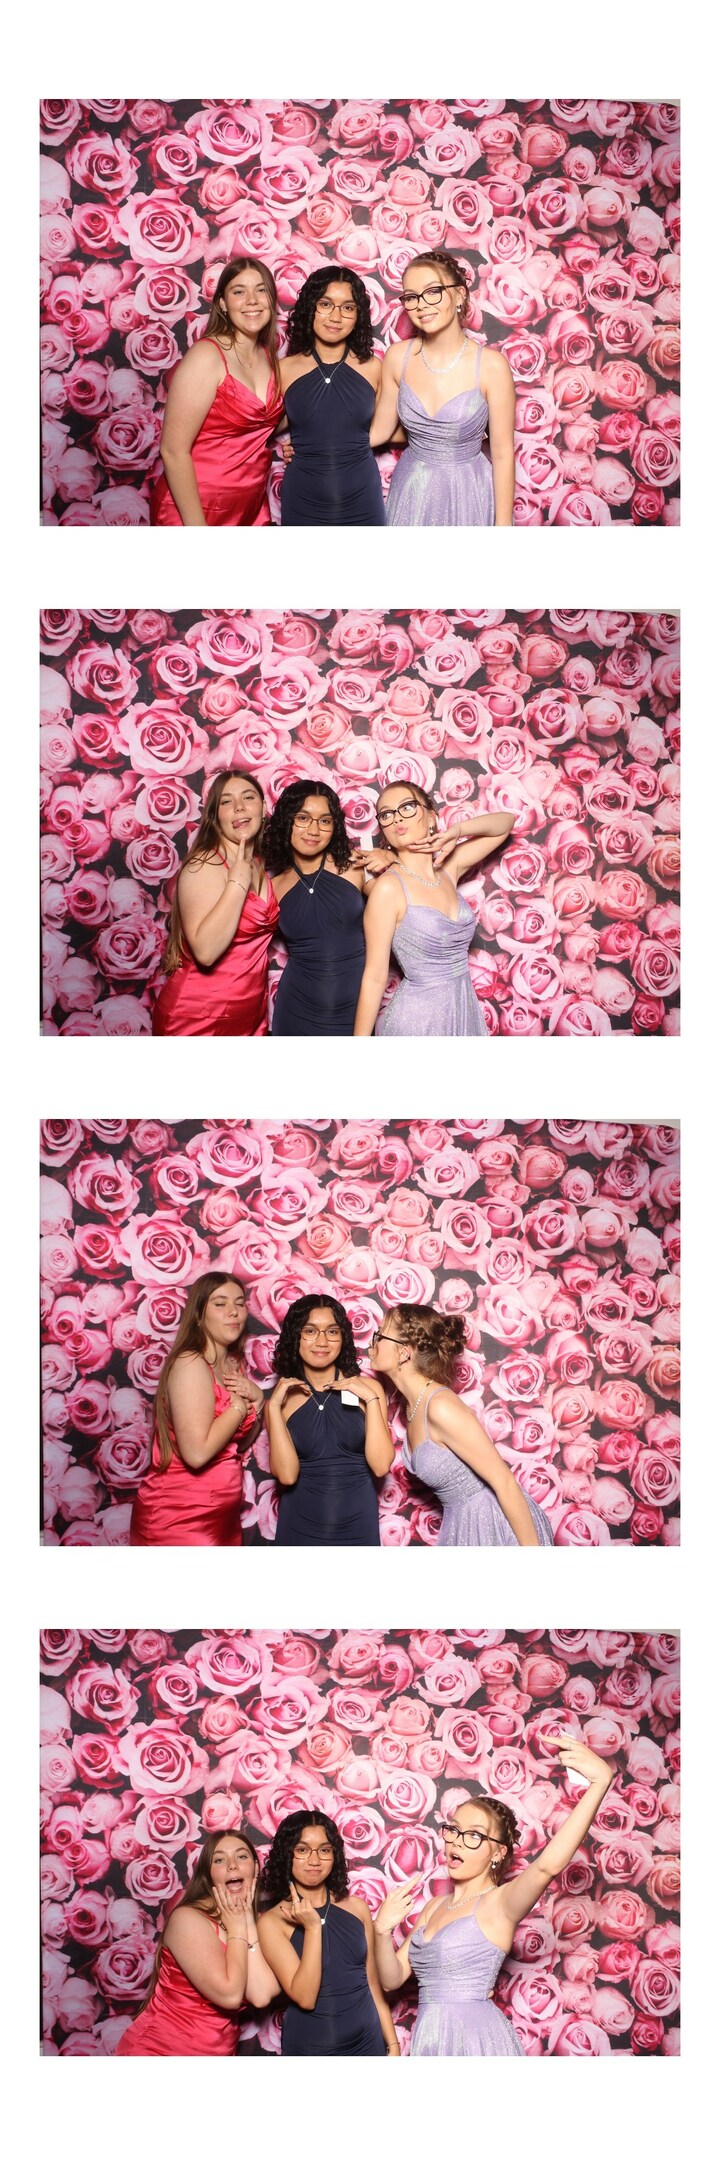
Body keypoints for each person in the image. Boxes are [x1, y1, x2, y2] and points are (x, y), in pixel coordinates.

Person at [374, 1737, 615, 2054]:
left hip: (475, 2040)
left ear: (499, 1853)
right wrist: (382, 1930)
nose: (456, 1842)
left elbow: (547, 1866)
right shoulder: (433, 1906)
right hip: (430, 2039)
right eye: (454, 1830)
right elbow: (392, 1980)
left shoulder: (499, 1903)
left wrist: (599, 1783)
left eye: (474, 1835)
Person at [370, 1306, 554, 1545]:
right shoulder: (412, 1407)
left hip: (497, 1526)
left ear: (404, 1352)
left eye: (380, 1335)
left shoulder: (440, 1406)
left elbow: (505, 1482)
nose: (373, 1342)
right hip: (461, 1524)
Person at [353, 782, 515, 1035]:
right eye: (386, 814)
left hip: (463, 1011)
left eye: (407, 807)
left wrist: (457, 830)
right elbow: (374, 977)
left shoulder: (449, 869)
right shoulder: (389, 888)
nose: (397, 818)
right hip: (417, 1021)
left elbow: (505, 823)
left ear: (431, 817)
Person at [370, 248, 515, 526]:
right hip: (413, 489)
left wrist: (504, 525)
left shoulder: (492, 366)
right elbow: (378, 432)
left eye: (432, 291)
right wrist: (312, 444)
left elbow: (502, 454)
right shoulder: (397, 357)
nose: (421, 305)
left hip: (468, 491)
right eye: (411, 297)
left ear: (459, 295)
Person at [129, 1274, 264, 1546]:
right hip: (180, 1518)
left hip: (221, 1519)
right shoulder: (190, 1363)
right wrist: (239, 1407)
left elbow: (235, 1445)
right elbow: (197, 1454)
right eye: (220, 1303)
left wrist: (258, 1403)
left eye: (239, 1303)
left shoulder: (232, 1366)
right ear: (199, 1316)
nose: (233, 1311)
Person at [116, 1830, 278, 2054]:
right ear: (208, 1874)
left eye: (242, 1856)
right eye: (219, 1860)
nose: (232, 1865)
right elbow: (230, 1996)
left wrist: (247, 1922)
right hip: (160, 2049)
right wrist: (238, 1929)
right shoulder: (188, 1919)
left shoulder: (257, 1923)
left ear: (255, 1869)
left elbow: (260, 1995)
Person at [151, 257, 284, 525]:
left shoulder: (267, 356)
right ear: (222, 303)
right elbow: (173, 451)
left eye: (261, 290)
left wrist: (302, 442)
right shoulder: (206, 356)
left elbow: (259, 425)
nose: (252, 300)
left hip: (249, 509)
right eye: (239, 292)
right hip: (195, 509)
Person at [258, 1812, 398, 2055]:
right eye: (302, 1850)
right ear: (287, 1854)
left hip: (368, 2041)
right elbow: (305, 1997)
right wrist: (313, 1928)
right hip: (312, 2045)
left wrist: (393, 2044)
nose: (314, 1860)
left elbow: (372, 1982)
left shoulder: (357, 1908)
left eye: (324, 1850)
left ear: (334, 1855)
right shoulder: (273, 1921)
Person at [152, 771, 279, 1037]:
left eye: (248, 797)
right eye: (226, 801)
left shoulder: (257, 863)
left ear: (263, 807)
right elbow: (206, 952)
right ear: (215, 815)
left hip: (248, 1015)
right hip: (197, 1017)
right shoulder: (205, 865)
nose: (239, 807)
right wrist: (238, 883)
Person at [266, 1295, 393, 1545]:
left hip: (358, 1527)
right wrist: (273, 1409)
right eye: (310, 1331)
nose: (322, 1341)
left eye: (332, 1331)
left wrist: (371, 1400)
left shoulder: (369, 1390)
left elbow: (380, 1466)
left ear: (343, 1337)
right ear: (295, 1336)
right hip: (299, 1529)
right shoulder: (281, 1401)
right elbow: (287, 1476)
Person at [279, 268, 386, 525]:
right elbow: (258, 429)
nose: (336, 317)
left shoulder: (374, 368)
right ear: (310, 307)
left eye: (347, 308)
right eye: (325, 304)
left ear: (358, 315)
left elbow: (396, 428)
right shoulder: (283, 369)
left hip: (363, 499)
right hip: (302, 498)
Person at [264, 782, 370, 1035]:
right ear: (287, 820)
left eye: (325, 821)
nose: (313, 830)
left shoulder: (355, 865)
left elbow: (403, 900)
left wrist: (395, 860)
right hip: (295, 1010)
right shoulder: (273, 886)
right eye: (303, 818)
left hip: (356, 1010)